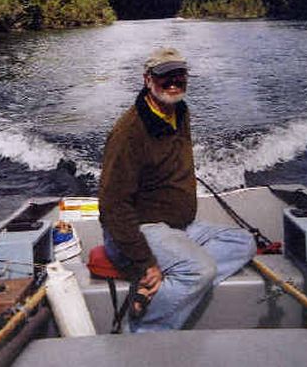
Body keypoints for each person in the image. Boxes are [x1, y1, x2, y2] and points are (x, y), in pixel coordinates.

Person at [98, 47, 256, 332]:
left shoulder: (179, 111)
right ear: (148, 80)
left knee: (243, 242)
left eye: (179, 75)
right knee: (200, 270)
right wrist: (146, 262)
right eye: (164, 76)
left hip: (179, 226)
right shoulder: (129, 133)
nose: (173, 82)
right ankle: (146, 335)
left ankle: (160, 289)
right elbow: (112, 208)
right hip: (139, 229)